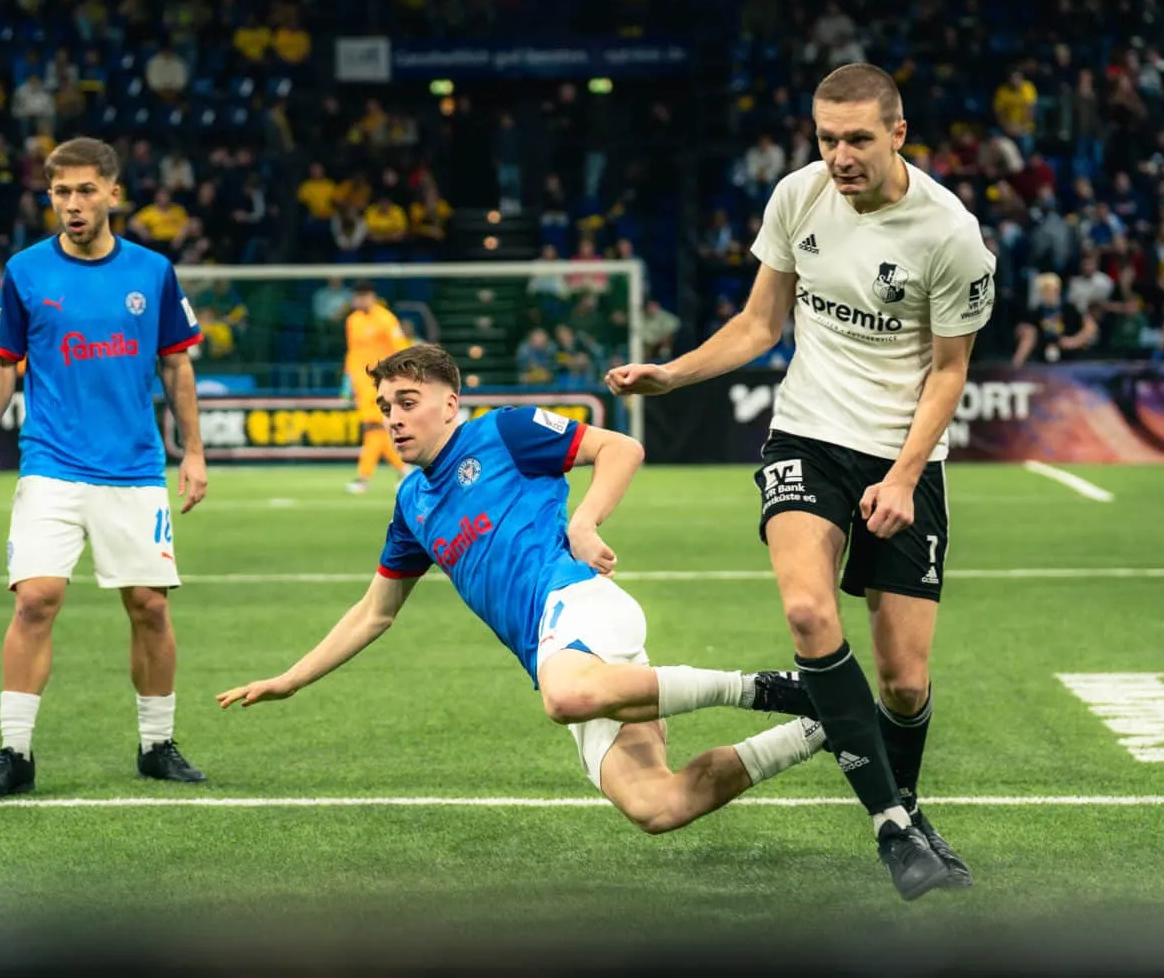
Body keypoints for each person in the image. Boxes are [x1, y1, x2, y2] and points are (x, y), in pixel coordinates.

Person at [605, 63, 995, 900]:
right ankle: (892, 828)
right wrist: (672, 375)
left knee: (904, 680)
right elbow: (760, 321)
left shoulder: (952, 234)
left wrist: (902, 476)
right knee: (809, 610)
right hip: (808, 434)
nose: (840, 156)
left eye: (857, 138)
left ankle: (906, 805)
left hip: (901, 454)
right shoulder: (797, 197)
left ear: (898, 132)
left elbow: (949, 372)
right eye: (826, 138)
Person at [218, 344, 828, 832]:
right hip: (560, 650)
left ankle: (770, 688)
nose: (394, 418)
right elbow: (375, 613)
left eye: (408, 402)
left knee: (562, 697)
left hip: (578, 603)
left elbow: (621, 447)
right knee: (657, 807)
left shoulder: (503, 432)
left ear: (450, 403)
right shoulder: (411, 503)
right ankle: (825, 725)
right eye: (385, 407)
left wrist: (584, 523)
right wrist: (291, 679)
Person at [0, 136, 210, 799]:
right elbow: (1, 360)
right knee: (37, 599)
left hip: (133, 469)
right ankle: (15, 754)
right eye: (61, 193)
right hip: (51, 462)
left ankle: (156, 745)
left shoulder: (152, 272)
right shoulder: (25, 271)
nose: (73, 205)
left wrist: (193, 451)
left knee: (150, 607)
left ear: (113, 194)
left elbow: (177, 365)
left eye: (84, 191)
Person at [343, 280, 411, 494]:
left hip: (380, 383)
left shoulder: (386, 319)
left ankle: (363, 477)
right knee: (376, 430)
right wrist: (346, 381)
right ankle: (404, 470)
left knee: (373, 428)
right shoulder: (352, 321)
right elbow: (352, 352)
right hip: (360, 384)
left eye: (363, 296)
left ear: (371, 297)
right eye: (357, 297)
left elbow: (401, 348)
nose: (359, 300)